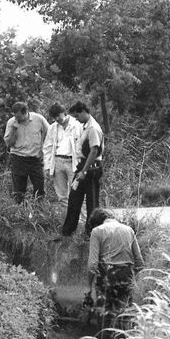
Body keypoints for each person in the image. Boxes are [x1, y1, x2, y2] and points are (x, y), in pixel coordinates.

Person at [86, 208, 144, 336]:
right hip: (126, 274)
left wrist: (89, 288)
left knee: (104, 313)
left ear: (97, 223)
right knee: (126, 313)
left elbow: (92, 265)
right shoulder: (129, 230)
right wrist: (132, 280)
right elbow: (139, 262)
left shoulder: (97, 231)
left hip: (107, 275)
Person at [61, 102, 104, 238]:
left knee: (92, 203)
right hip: (83, 166)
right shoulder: (85, 127)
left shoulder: (93, 128)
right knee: (74, 198)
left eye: (77, 115)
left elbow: (94, 150)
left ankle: (91, 233)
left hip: (91, 168)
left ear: (84, 112)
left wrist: (84, 171)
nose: (77, 119)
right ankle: (67, 231)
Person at [4, 101, 49, 204]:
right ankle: (20, 213)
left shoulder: (39, 119)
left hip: (35, 158)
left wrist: (44, 147)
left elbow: (50, 132)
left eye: (19, 117)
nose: (17, 119)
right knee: (19, 190)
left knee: (39, 188)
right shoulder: (11, 122)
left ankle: (39, 211)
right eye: (15, 116)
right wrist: (14, 130)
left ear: (26, 112)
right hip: (18, 158)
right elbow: (9, 144)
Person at [43, 102, 82, 207]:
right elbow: (47, 147)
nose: (57, 119)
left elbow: (83, 146)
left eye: (58, 115)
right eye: (54, 117)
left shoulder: (77, 125)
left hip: (73, 162)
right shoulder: (53, 128)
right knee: (61, 195)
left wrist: (82, 165)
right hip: (58, 162)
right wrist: (47, 166)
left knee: (77, 192)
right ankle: (66, 220)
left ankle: (82, 221)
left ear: (64, 113)